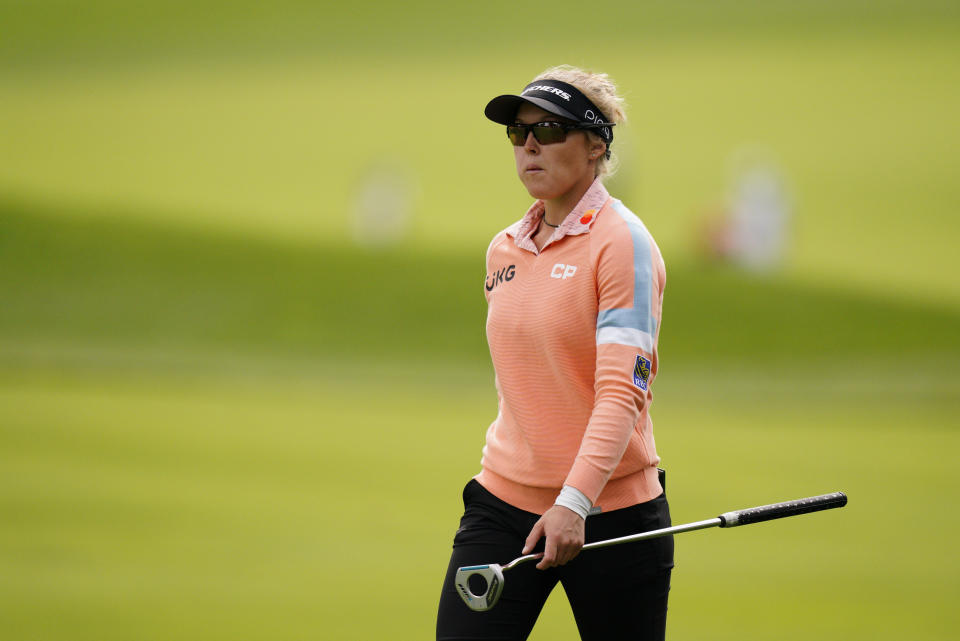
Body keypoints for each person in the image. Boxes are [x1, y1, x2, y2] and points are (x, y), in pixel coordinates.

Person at [436, 66, 673, 641]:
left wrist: (574, 502)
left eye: (551, 129)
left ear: (596, 145)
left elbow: (622, 393)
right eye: (519, 133)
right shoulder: (504, 249)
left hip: (611, 514)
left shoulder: (623, 245)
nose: (531, 145)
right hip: (504, 503)